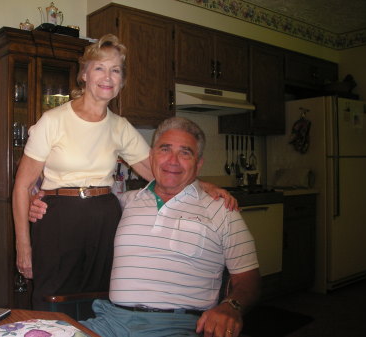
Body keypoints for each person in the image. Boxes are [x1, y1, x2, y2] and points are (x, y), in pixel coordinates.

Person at [13, 34, 237, 311]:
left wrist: (205, 186)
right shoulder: (53, 121)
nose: (108, 76)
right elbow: (22, 187)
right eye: (100, 68)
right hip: (59, 217)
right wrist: (23, 247)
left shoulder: (120, 126)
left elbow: (157, 170)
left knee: (99, 301)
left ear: (121, 81)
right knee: (52, 299)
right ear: (84, 74)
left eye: (115, 70)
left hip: (105, 217)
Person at [30, 117, 261, 337]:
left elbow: (249, 280)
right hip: (110, 322)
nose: (173, 160)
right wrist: (39, 204)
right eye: (165, 149)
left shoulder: (221, 210)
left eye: (185, 153)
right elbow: (76, 210)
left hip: (178, 326)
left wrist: (231, 306)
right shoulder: (123, 202)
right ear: (151, 157)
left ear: (198, 164)